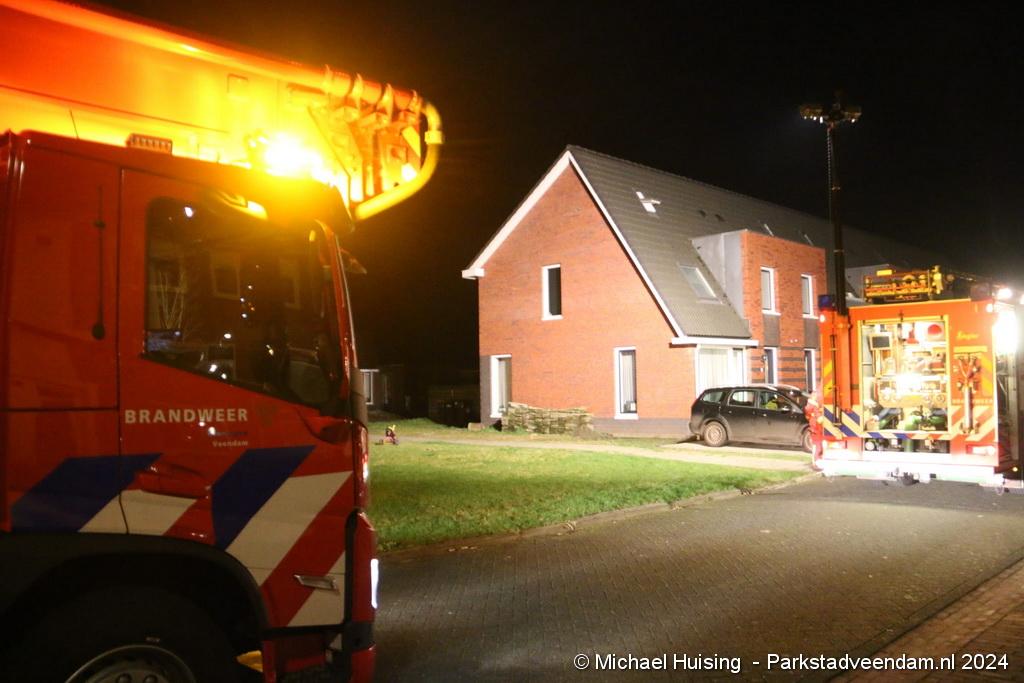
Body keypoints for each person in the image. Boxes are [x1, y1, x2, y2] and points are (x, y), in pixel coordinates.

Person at [804, 391, 824, 468]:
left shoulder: (809, 406)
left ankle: (815, 461)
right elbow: (819, 419)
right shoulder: (814, 406)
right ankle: (817, 462)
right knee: (818, 446)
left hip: (814, 427)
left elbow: (808, 416)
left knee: (815, 446)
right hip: (816, 428)